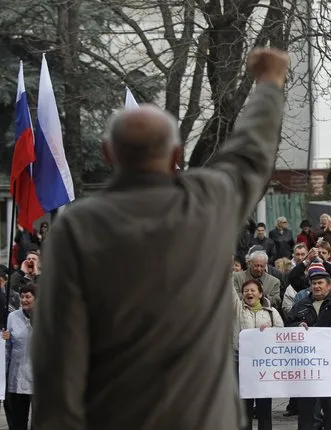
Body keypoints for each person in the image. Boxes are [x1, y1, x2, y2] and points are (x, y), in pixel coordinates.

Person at [31, 48, 290, 430]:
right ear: (177, 154)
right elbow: (250, 154)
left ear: (107, 154)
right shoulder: (207, 204)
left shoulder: (78, 228)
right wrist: (269, 84)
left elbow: (57, 350)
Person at [288, 259, 331, 430]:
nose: (317, 286)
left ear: (328, 285)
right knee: (308, 405)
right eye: (314, 283)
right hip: (307, 362)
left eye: (320, 283)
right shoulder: (301, 304)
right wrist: (297, 326)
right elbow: (288, 324)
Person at [231, 279, 284, 430]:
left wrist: (269, 332)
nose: (249, 293)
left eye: (253, 290)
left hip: (264, 366)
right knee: (244, 406)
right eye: (246, 290)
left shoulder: (272, 312)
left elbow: (281, 335)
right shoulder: (237, 310)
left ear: (260, 294)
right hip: (241, 364)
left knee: (264, 406)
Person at [3, 283, 37, 430]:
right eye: (22, 297)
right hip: (17, 377)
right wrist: (6, 338)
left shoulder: (48, 316)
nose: (24, 300)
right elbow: (8, 348)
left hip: (38, 378)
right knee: (18, 422)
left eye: (28, 297)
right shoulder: (12, 316)